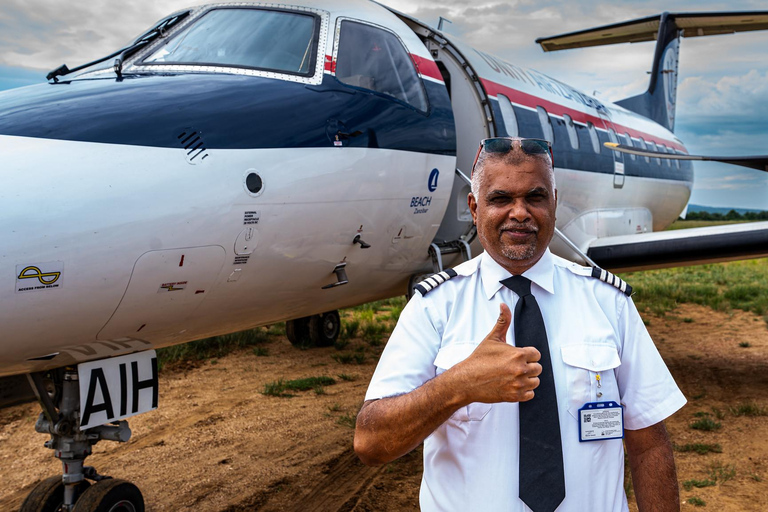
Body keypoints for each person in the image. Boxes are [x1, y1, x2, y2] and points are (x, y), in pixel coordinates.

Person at [353, 137, 686, 512]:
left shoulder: (608, 302)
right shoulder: (435, 307)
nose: (520, 213)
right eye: (500, 199)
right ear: (474, 207)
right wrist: (458, 385)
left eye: (535, 197)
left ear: (554, 204)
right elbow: (371, 443)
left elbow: (649, 443)